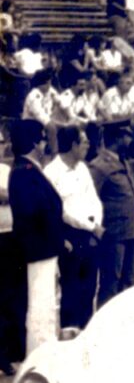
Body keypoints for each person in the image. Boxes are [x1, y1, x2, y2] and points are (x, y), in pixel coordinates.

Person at [8, 119, 63, 358]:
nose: (44, 145)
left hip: (43, 248)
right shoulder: (25, 172)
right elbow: (37, 211)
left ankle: (44, 351)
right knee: (41, 307)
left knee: (46, 305)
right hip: (38, 249)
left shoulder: (28, 170)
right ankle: (41, 355)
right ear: (33, 143)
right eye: (41, 140)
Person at [44, 127, 104, 329]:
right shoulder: (51, 173)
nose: (88, 145)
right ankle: (70, 336)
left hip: (91, 235)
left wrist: (96, 224)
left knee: (89, 290)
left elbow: (94, 199)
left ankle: (86, 334)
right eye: (84, 141)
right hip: (70, 237)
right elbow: (62, 211)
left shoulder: (83, 168)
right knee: (71, 292)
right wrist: (91, 226)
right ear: (73, 145)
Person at [90, 120, 134, 306]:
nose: (130, 140)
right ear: (117, 138)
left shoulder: (122, 161)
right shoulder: (99, 166)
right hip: (113, 234)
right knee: (111, 282)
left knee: (130, 280)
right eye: (127, 136)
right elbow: (90, 199)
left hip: (130, 231)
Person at [0, 138, 22, 375]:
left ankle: (11, 353)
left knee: (11, 296)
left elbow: (15, 195)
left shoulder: (7, 170)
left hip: (11, 236)